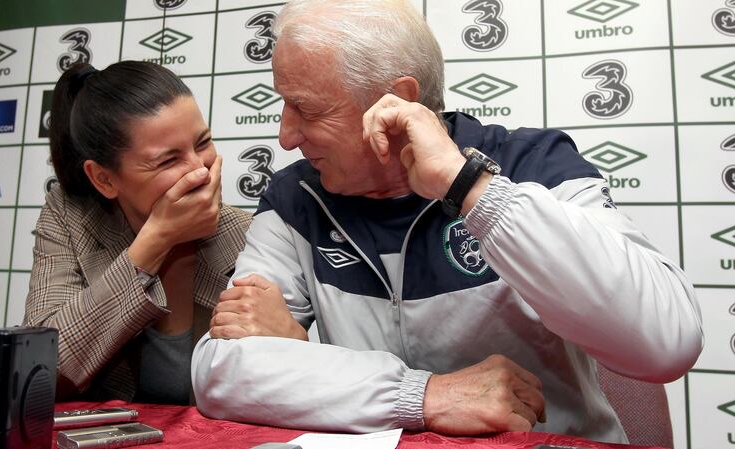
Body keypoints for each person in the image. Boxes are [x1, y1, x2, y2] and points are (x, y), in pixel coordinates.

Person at [191, 0, 703, 442]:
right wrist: (424, 395)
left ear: (396, 101)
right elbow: (221, 370)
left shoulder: (536, 164)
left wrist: (472, 190)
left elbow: (666, 343)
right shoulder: (295, 198)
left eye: (306, 109)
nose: (285, 137)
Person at [23, 61, 251, 404]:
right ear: (104, 179)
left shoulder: (248, 234)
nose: (200, 170)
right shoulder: (70, 217)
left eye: (202, 142)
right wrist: (156, 240)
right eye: (168, 160)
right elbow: (39, 372)